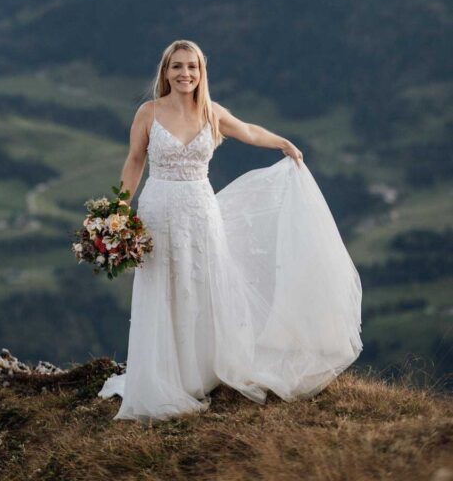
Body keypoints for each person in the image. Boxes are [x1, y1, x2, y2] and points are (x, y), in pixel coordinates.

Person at [97, 38, 363, 421]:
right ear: (165, 72)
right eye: (177, 66)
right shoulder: (148, 112)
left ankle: (201, 371)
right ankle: (161, 376)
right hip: (158, 211)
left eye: (192, 67)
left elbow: (249, 131)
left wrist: (284, 143)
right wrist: (118, 209)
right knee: (164, 286)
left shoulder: (211, 112)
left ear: (201, 72)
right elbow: (135, 159)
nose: (185, 73)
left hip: (201, 211)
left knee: (201, 285)